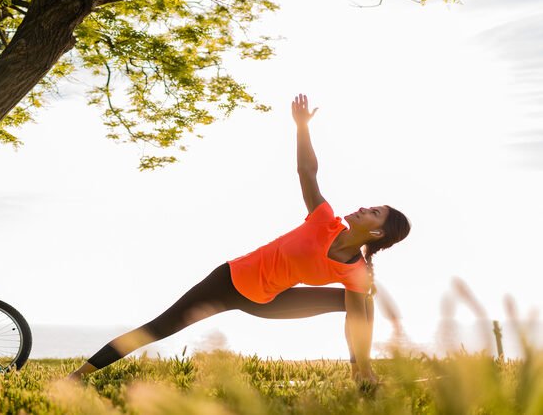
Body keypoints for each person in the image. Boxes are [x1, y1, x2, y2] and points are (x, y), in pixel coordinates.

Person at [68, 94, 411, 385]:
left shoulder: (357, 272)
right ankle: (76, 377)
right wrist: (302, 127)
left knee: (361, 302)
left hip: (269, 302)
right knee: (158, 328)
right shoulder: (325, 221)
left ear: (378, 232)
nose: (365, 207)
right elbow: (307, 172)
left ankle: (360, 372)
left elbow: (360, 318)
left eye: (374, 212)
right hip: (228, 282)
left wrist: (362, 362)